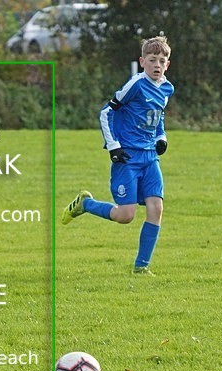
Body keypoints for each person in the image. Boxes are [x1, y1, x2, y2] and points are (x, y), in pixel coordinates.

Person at [61, 36, 174, 276]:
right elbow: (106, 112)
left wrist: (161, 138)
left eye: (161, 61)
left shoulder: (167, 88)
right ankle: (85, 204)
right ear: (142, 61)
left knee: (156, 207)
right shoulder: (135, 85)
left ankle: (141, 267)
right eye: (152, 60)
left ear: (167, 65)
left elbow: (158, 118)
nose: (156, 64)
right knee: (126, 216)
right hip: (127, 157)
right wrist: (113, 146)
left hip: (150, 157)